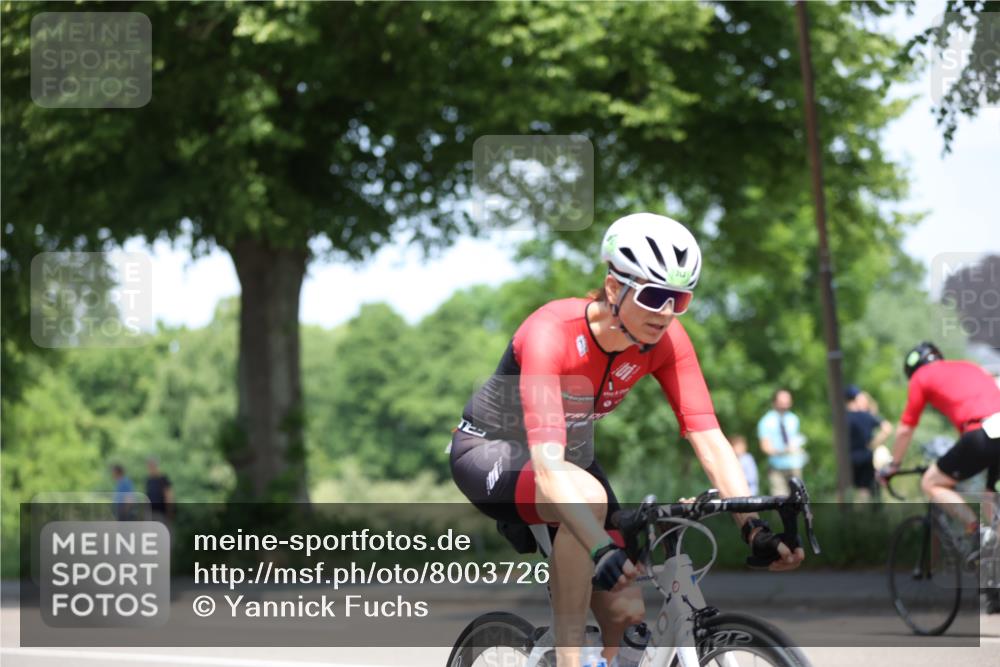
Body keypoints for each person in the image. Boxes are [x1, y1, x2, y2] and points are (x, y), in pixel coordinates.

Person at [449, 213, 804, 666]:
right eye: (654, 296)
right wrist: (601, 547)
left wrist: (753, 527)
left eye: (680, 298)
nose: (667, 312)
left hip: (570, 464)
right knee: (590, 500)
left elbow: (710, 439)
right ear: (614, 288)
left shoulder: (667, 341)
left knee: (625, 612)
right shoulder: (550, 332)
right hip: (491, 453)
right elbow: (547, 467)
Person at [878, 342, 1000, 613]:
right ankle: (995, 583)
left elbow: (906, 429)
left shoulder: (922, 377)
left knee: (931, 483)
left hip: (982, 432)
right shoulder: (970, 366)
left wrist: (893, 466)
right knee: (990, 497)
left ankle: (977, 532)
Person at [844, 385, 892, 501]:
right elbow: (887, 428)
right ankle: (864, 516)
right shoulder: (867, 416)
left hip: (848, 458)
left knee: (848, 491)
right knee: (864, 490)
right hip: (866, 457)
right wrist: (873, 444)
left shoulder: (843, 418)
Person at [757, 389, 807, 495]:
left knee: (798, 498)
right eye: (782, 403)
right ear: (774, 402)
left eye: (787, 403)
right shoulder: (766, 421)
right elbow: (765, 447)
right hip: (777, 467)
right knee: (780, 500)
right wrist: (783, 451)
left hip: (795, 465)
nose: (785, 406)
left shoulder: (793, 419)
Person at [145, 456, 175, 524]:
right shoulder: (149, 480)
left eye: (152, 465)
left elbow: (168, 496)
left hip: (161, 513)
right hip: (151, 513)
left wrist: (170, 510)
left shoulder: (163, 479)